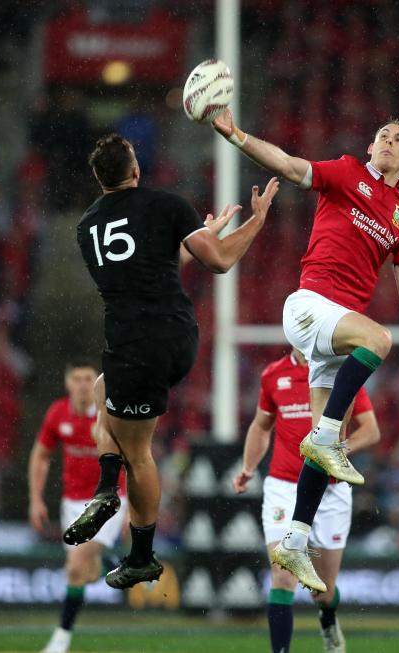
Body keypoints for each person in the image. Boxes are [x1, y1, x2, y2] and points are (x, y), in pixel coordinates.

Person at [209, 110, 399, 592]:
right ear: (372, 149)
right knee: (380, 340)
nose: (389, 141)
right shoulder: (347, 172)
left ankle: (294, 540)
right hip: (311, 306)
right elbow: (291, 166)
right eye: (383, 135)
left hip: (335, 337)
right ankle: (329, 434)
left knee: (320, 453)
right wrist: (236, 134)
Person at [65, 134, 279, 589]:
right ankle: (108, 495)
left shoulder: (86, 228)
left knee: (136, 452)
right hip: (176, 336)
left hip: (133, 343)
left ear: (98, 178)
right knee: (102, 396)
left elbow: (157, 266)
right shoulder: (166, 205)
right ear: (136, 169)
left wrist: (210, 235)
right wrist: (252, 221)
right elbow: (211, 260)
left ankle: (137, 546)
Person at [233, 349, 380, 653]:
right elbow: (262, 425)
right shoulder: (273, 375)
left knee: (322, 591)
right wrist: (248, 467)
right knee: (282, 574)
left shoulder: (341, 372)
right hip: (283, 487)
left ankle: (327, 618)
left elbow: (371, 431)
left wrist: (335, 451)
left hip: (331, 490)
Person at [29, 360, 128, 653]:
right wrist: (35, 498)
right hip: (72, 503)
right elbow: (41, 455)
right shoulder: (58, 413)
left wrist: (134, 508)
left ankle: (61, 638)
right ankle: (119, 565)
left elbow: (134, 460)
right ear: (68, 382)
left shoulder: (110, 414)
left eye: (89, 378)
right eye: (78, 378)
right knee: (84, 571)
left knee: (74, 567)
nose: (84, 384)